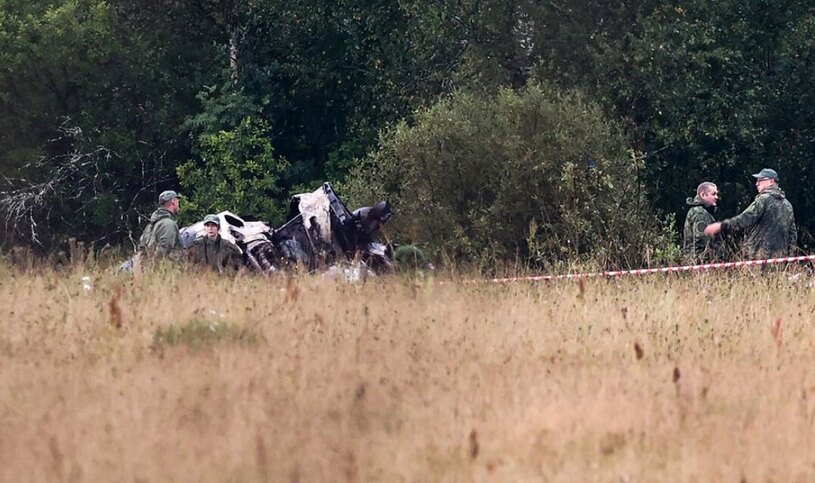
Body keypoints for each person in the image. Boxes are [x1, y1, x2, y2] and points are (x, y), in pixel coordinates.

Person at [704, 168, 797, 259]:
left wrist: (722, 226)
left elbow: (746, 218)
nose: (757, 183)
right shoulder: (787, 205)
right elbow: (793, 235)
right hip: (780, 258)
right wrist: (790, 257)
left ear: (771, 181)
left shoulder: (763, 199)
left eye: (760, 180)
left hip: (758, 256)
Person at [138, 190, 183, 261]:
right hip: (167, 266)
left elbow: (142, 248)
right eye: (178, 201)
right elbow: (164, 250)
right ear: (173, 201)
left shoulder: (151, 225)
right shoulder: (169, 224)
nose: (179, 204)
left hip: (149, 266)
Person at [683, 181, 722, 263]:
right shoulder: (700, 213)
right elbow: (701, 241)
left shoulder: (703, 212)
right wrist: (705, 262)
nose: (716, 197)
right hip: (701, 263)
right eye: (713, 194)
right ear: (703, 195)